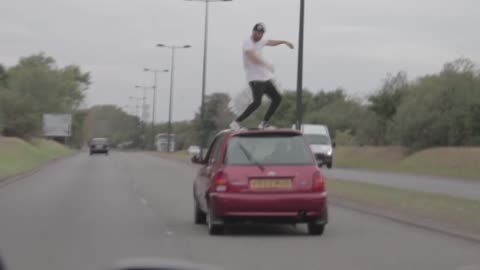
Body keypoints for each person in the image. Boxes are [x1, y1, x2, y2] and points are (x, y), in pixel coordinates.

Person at [230, 23, 294, 130]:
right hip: (254, 78)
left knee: (277, 98)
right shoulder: (248, 42)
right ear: (253, 32)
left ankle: (264, 123)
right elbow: (252, 56)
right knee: (257, 102)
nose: (259, 36)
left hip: (264, 78)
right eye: (257, 33)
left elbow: (271, 42)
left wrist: (284, 42)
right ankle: (236, 122)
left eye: (261, 34)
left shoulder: (261, 41)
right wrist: (266, 64)